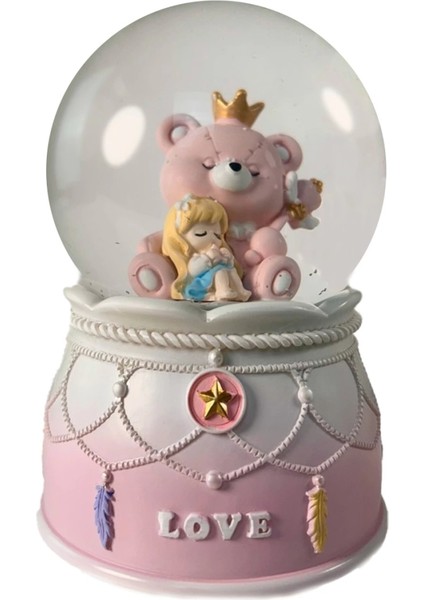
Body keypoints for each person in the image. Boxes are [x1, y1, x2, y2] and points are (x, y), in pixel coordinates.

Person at [162, 195, 251, 302]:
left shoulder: (217, 249)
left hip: (217, 277)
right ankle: (223, 291)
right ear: (179, 237)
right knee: (220, 271)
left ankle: (240, 290)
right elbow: (194, 270)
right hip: (202, 283)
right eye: (201, 233)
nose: (212, 239)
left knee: (231, 271)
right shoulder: (196, 256)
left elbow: (229, 264)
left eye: (217, 235)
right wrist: (208, 258)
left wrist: (227, 258)